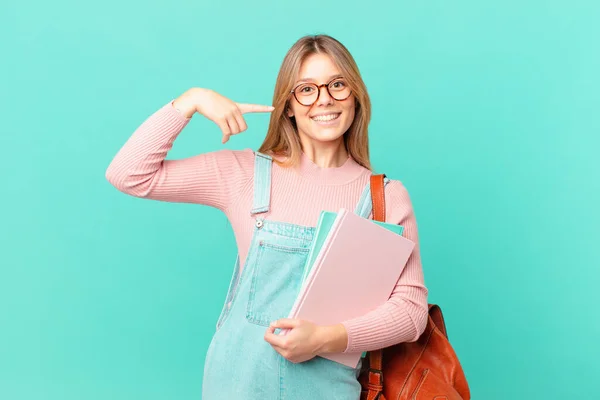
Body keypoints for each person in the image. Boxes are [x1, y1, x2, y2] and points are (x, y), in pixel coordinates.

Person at [106, 34, 428, 399]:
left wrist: (327, 337)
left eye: (337, 85)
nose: (324, 99)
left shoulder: (384, 198)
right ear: (288, 105)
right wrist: (190, 100)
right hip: (234, 386)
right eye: (306, 89)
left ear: (355, 96)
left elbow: (411, 312)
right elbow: (128, 174)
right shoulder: (243, 174)